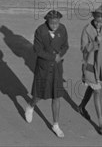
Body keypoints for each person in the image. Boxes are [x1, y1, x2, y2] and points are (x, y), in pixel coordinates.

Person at [25, 10, 69, 138]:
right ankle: (31, 105)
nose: (55, 25)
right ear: (47, 21)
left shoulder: (63, 29)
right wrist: (52, 57)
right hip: (43, 67)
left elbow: (66, 46)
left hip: (57, 68)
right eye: (52, 23)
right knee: (40, 94)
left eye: (57, 22)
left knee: (56, 96)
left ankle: (55, 125)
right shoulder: (40, 30)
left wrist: (60, 55)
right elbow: (37, 50)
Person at [78, 5, 102, 136]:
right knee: (97, 91)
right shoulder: (87, 30)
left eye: (101, 21)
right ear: (93, 17)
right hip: (91, 66)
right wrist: (94, 43)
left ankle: (81, 107)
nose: (98, 23)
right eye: (96, 20)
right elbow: (83, 48)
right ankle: (101, 123)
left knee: (93, 88)